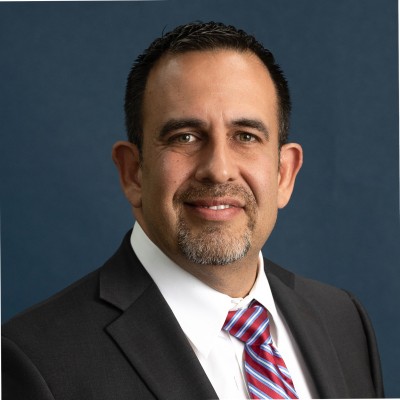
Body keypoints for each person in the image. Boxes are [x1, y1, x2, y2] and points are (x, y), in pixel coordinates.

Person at [2, 22, 384, 399]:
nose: (218, 169)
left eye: (246, 136)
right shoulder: (35, 362)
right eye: (185, 137)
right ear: (133, 172)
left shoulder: (343, 321)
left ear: (284, 174)